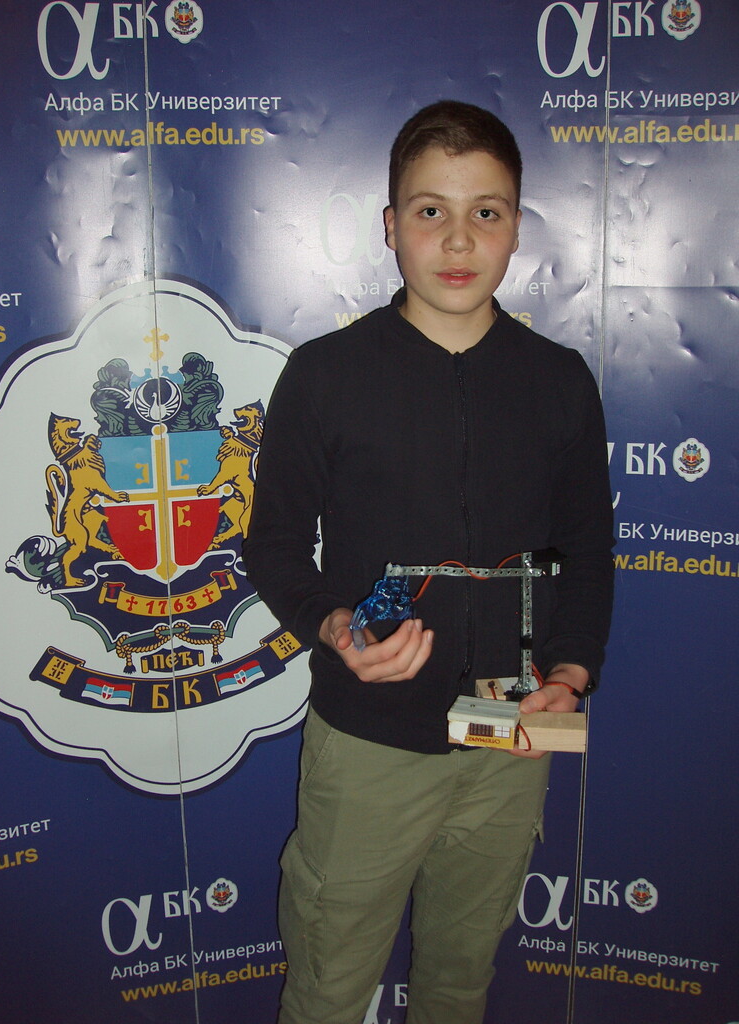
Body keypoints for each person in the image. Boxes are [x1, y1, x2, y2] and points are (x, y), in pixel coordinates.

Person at [243, 100, 614, 1024]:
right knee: (327, 990)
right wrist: (334, 626)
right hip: (368, 743)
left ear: (517, 227)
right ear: (391, 225)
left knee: (459, 984)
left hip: (513, 738)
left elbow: (587, 550)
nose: (458, 240)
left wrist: (572, 672)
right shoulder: (325, 373)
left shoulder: (560, 379)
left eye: (486, 212)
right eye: (429, 210)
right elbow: (275, 543)